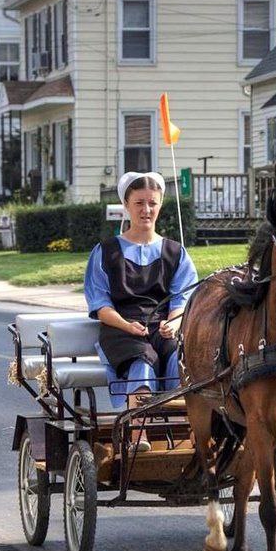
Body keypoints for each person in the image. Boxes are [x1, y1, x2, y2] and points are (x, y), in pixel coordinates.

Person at [84, 171, 198, 451]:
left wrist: (174, 322)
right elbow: (100, 306)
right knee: (142, 358)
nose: (146, 210)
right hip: (120, 328)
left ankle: (191, 434)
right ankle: (138, 435)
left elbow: (182, 299)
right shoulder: (105, 251)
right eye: (139, 203)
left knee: (180, 355)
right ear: (126, 205)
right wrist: (126, 325)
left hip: (161, 325)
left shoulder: (175, 252)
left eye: (152, 203)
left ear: (160, 205)